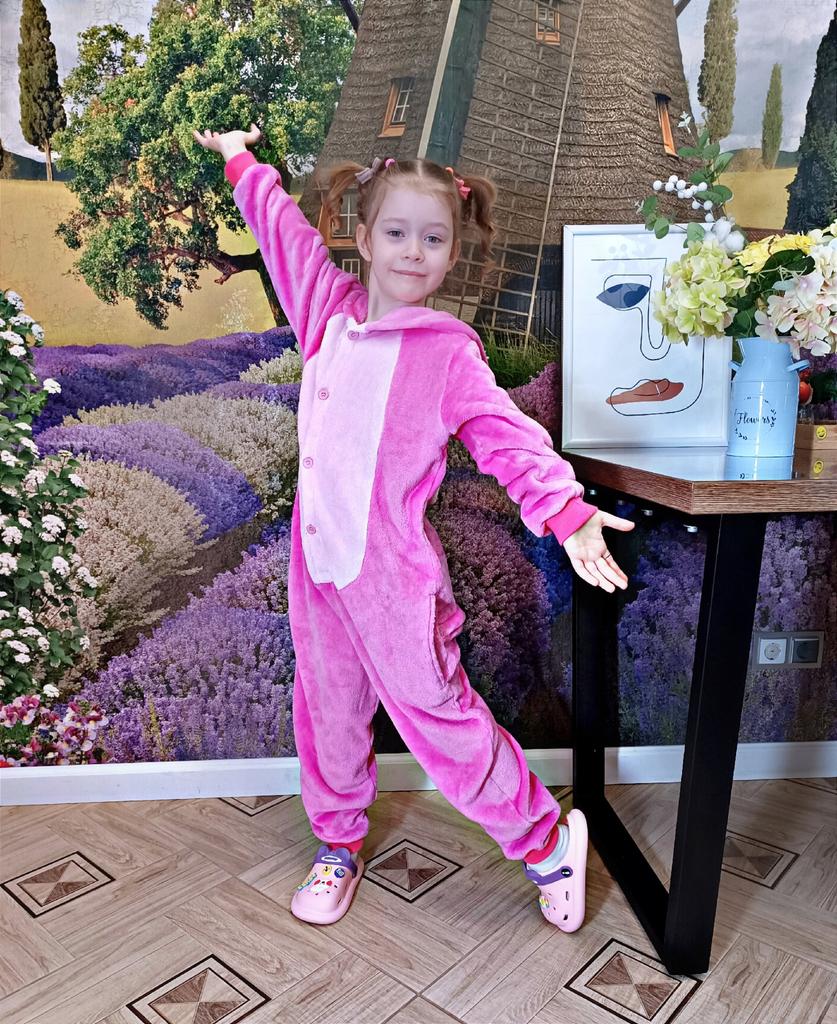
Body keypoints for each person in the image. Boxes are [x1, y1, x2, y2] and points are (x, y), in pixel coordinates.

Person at [193, 123, 635, 931]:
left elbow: (506, 437)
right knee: (326, 712)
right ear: (363, 240)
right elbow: (284, 234)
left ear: (451, 254)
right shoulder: (326, 311)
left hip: (393, 583)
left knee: (439, 717)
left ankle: (544, 843)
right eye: (395, 233)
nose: (412, 251)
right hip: (318, 570)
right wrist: (237, 159)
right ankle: (337, 845)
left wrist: (564, 512)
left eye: (432, 238)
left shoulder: (448, 353)